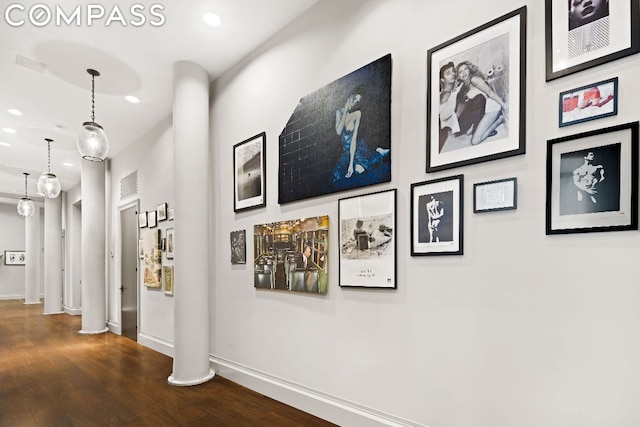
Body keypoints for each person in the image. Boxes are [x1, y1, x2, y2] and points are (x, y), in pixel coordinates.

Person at [333, 85, 389, 182]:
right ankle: (376, 153)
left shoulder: (357, 114)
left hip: (357, 148)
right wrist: (345, 111)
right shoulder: (339, 113)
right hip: (346, 151)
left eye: (357, 101)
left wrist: (351, 164)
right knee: (336, 176)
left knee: (359, 170)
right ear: (349, 97)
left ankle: (379, 153)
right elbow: (338, 131)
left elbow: (353, 140)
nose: (354, 103)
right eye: (354, 99)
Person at [455, 61, 506, 146]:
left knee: (474, 141)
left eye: (465, 69)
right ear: (459, 76)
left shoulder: (473, 79)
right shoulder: (466, 84)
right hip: (483, 109)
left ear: (470, 70)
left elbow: (490, 92)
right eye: (460, 72)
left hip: (491, 107)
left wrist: (504, 105)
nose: (463, 73)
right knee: (468, 132)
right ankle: (485, 126)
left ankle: (500, 120)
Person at [439, 62, 462, 149]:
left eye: (453, 71)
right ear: (442, 80)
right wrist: (455, 93)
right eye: (448, 73)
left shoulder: (451, 90)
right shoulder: (446, 94)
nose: (452, 74)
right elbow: (443, 116)